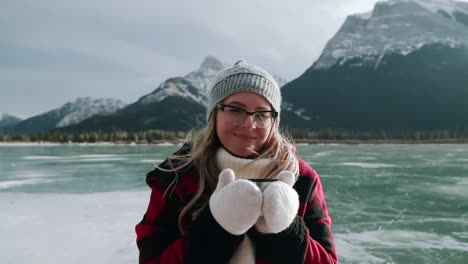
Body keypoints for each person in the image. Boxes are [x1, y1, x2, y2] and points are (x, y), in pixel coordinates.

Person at [135, 60, 337, 264]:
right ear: (214, 114)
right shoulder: (177, 176)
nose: (249, 124)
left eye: (262, 114)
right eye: (235, 109)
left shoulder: (302, 179)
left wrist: (286, 229)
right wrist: (217, 227)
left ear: (273, 121)